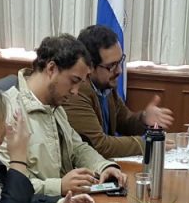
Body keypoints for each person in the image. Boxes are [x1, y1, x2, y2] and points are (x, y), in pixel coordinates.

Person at [0, 35, 128, 195]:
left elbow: (77, 147)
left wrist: (103, 166)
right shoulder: (7, 112)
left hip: (65, 202)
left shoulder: (55, 106)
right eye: (73, 81)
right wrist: (59, 186)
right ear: (51, 69)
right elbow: (9, 184)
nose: (75, 92)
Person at [64, 24, 175, 158]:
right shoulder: (76, 92)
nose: (119, 71)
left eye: (120, 61)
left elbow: (125, 121)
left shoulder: (106, 85)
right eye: (111, 66)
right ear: (90, 66)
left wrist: (144, 118)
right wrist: (147, 143)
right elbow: (100, 145)